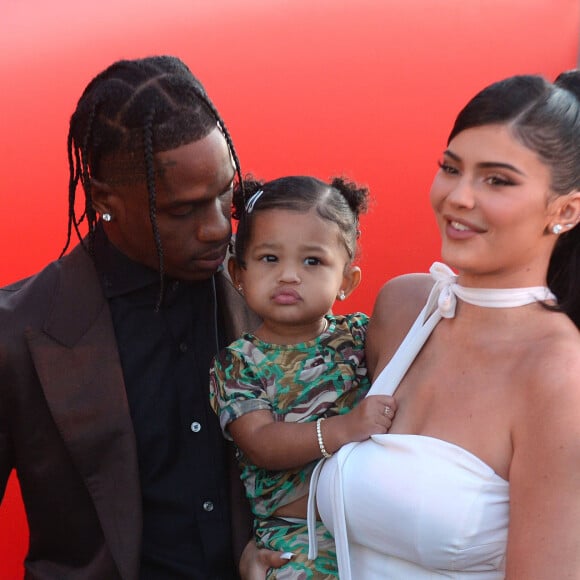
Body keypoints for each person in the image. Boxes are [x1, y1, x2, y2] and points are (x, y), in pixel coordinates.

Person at [0, 55, 285, 579]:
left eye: (225, 194)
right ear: (104, 199)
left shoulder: (272, 292)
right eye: (183, 211)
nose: (217, 228)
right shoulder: (17, 333)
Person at [310, 73, 580, 579]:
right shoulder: (404, 307)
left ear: (565, 210)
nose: (458, 196)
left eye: (497, 180)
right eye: (451, 168)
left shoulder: (560, 377)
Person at [209, 176, 397, 578]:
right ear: (237, 274)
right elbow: (260, 442)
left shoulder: (362, 337)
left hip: (376, 526)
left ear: (347, 280)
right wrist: (343, 428)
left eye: (312, 261)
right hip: (297, 537)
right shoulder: (239, 362)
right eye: (269, 259)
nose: (289, 276)